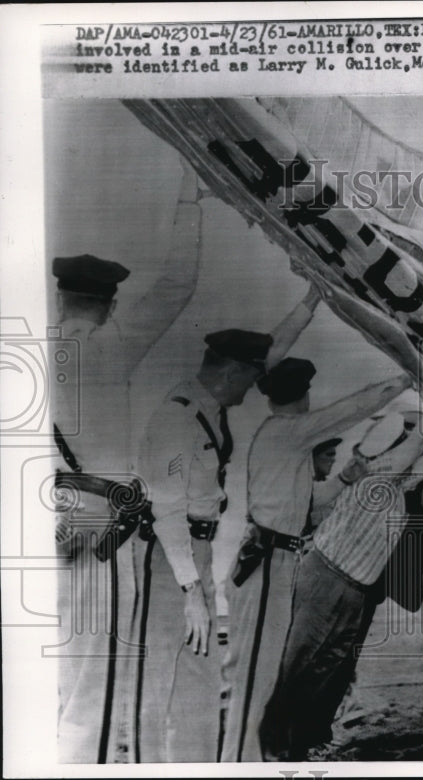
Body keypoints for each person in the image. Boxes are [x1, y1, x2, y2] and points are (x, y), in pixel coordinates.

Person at [50, 161, 201, 764]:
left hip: (57, 521)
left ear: (63, 299)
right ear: (109, 306)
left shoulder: (35, 349)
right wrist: (191, 198)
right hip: (100, 530)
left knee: (72, 678)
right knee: (100, 689)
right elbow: (179, 284)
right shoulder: (107, 347)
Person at [134, 287, 321, 763]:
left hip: (190, 554)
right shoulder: (176, 419)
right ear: (231, 372)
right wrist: (192, 593)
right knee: (159, 681)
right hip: (168, 559)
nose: (251, 391)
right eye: (249, 378)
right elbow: (168, 514)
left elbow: (269, 348)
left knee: (198, 678)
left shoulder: (210, 403)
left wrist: (310, 300)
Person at [220, 360, 410, 762]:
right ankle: (250, 754)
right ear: (303, 395)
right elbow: (355, 407)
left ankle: (269, 750)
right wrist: (408, 376)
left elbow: (309, 509)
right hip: (269, 560)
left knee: (280, 666)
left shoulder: (280, 436)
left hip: (278, 557)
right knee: (272, 668)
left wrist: (344, 479)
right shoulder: (289, 432)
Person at [260, 407, 423, 760]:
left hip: (352, 589)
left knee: (324, 668)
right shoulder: (379, 473)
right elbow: (419, 444)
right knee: (297, 668)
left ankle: (297, 748)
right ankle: (272, 751)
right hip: (326, 580)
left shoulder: (399, 483)